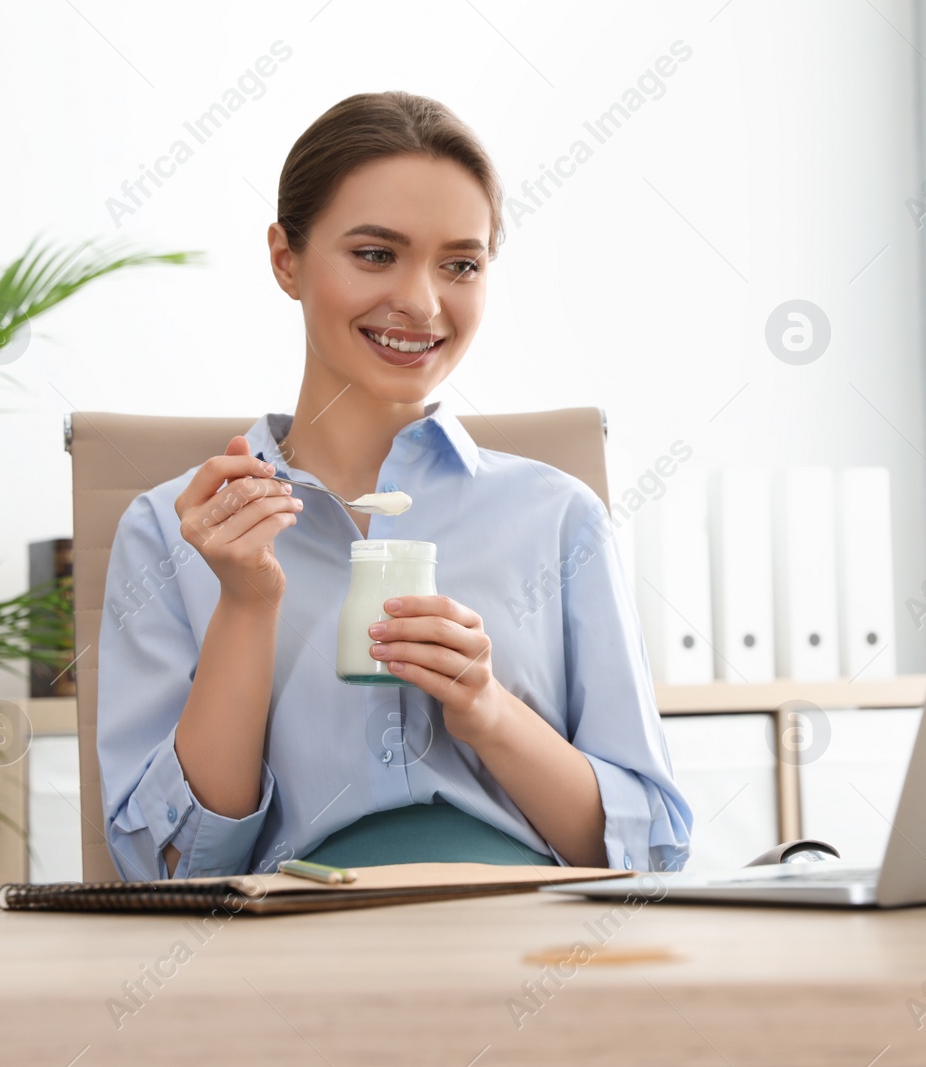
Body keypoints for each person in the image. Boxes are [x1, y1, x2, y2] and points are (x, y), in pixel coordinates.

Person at [96, 91, 692, 880]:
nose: (420, 301)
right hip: (292, 963)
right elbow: (169, 868)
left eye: (460, 264)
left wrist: (487, 710)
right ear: (286, 260)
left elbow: (647, 851)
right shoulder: (172, 531)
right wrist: (245, 605)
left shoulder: (560, 520)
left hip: (530, 950)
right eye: (376, 254)